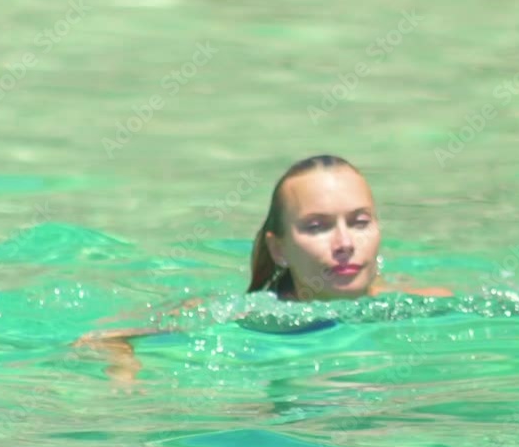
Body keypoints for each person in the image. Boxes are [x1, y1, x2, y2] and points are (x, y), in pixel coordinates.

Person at [74, 154, 452, 384]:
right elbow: (104, 337)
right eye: (317, 226)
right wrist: (125, 377)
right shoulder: (252, 314)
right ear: (279, 248)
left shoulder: (427, 305)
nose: (345, 243)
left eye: (360, 222)